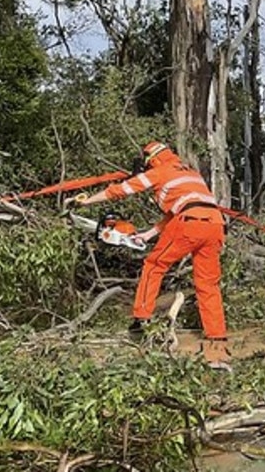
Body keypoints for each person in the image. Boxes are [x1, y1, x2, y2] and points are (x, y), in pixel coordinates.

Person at [72, 141, 231, 370]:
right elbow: (181, 209)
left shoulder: (159, 171)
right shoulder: (191, 174)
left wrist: (86, 201)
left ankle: (141, 319)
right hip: (215, 224)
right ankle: (217, 340)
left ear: (151, 158)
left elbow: (121, 190)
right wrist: (147, 235)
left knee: (154, 265)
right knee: (208, 284)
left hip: (188, 224)